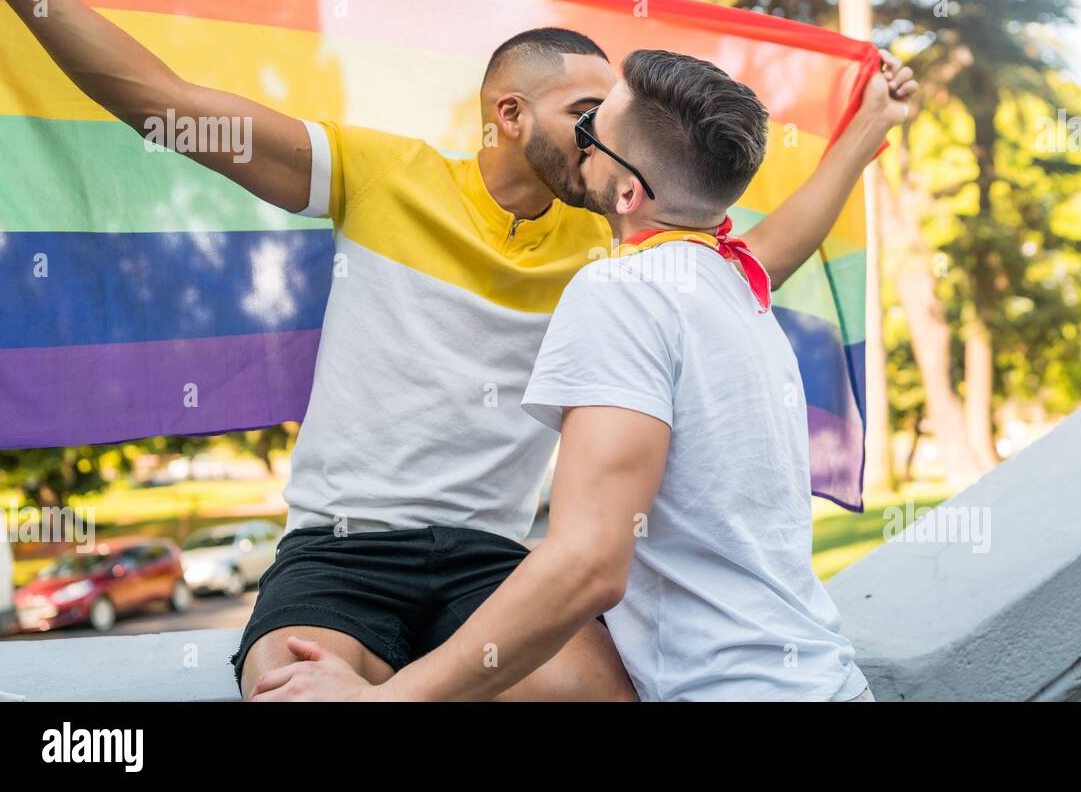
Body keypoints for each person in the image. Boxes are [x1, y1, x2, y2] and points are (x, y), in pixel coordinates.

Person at [0, 0, 914, 700]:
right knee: (285, 683)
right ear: (509, 113)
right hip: (344, 548)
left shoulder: (618, 245)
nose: (600, 133)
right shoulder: (379, 172)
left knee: (606, 694)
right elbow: (165, 104)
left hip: (493, 559)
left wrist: (864, 132)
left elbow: (754, 257)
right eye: (583, 111)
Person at [251, 49, 895, 701]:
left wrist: (387, 698)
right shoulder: (740, 288)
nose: (576, 146)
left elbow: (588, 564)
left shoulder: (620, 290)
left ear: (627, 190)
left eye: (593, 134)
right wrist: (866, 132)